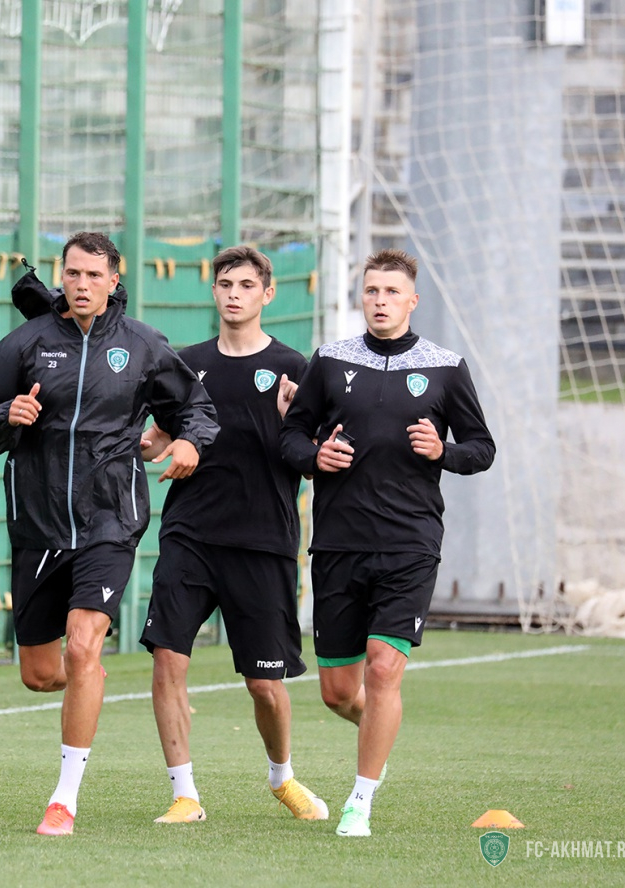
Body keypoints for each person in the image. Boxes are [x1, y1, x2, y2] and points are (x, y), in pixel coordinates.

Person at [0, 231, 219, 836]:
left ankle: (64, 799)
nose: (81, 285)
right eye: (72, 274)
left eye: (93, 275)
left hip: (110, 521)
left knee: (83, 647)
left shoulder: (143, 345)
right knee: (39, 673)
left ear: (114, 280)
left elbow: (196, 408)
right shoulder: (26, 342)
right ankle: (86, 678)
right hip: (38, 525)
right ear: (62, 276)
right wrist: (7, 416)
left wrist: (188, 442)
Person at [280, 248, 495, 837]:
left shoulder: (445, 366)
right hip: (338, 544)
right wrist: (315, 457)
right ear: (362, 297)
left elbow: (481, 448)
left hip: (410, 543)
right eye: (372, 291)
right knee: (337, 692)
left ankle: (361, 801)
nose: (380, 301)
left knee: (382, 670)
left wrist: (444, 451)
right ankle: (380, 731)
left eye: (392, 292)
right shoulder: (329, 360)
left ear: (412, 301)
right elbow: (291, 436)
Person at [139, 245, 327, 826]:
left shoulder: (294, 366)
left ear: (267, 294)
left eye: (247, 285)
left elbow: (314, 454)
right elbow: (159, 435)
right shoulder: (186, 363)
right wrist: (142, 445)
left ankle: (282, 778)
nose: (234, 294)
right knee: (168, 660)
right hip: (190, 535)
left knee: (264, 685)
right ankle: (185, 795)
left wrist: (298, 423)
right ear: (214, 291)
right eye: (226, 284)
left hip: (263, 540)